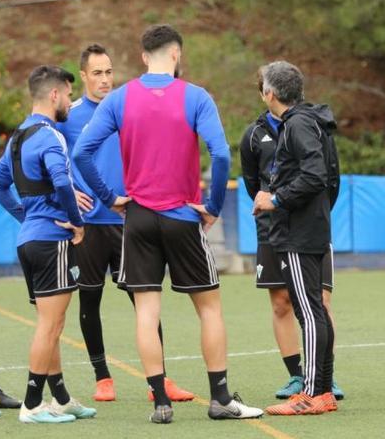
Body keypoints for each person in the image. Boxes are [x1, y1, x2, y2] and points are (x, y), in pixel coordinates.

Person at [73, 24, 263, 424]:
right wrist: (211, 205)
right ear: (177, 55)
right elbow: (221, 155)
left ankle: (160, 401)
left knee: (146, 310)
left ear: (144, 57)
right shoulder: (195, 96)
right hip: (181, 215)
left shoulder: (120, 98)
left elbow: (82, 153)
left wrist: (110, 197)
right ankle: (220, 398)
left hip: (138, 217)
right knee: (209, 307)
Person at [55, 44, 193, 403]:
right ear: (83, 75)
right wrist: (69, 190)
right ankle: (102, 377)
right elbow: (51, 161)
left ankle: (158, 382)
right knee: (89, 299)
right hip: (88, 223)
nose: (104, 79)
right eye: (97, 73)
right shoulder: (67, 116)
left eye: (109, 72)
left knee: (144, 298)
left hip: (127, 218)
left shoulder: (130, 105)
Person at [0, 65, 97, 424]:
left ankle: (61, 397)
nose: (69, 100)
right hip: (51, 242)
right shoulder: (51, 136)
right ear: (54, 95)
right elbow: (63, 184)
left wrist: (28, 218)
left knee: (50, 324)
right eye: (67, 93)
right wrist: (76, 223)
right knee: (50, 326)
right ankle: (33, 404)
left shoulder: (17, 137)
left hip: (29, 242)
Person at [239, 72, 344, 402]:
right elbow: (253, 182)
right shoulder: (264, 131)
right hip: (287, 230)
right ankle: (315, 385)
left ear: (269, 93)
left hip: (300, 230)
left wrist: (279, 200)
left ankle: (314, 391)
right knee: (300, 307)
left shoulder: (299, 124)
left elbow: (321, 177)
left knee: (312, 310)